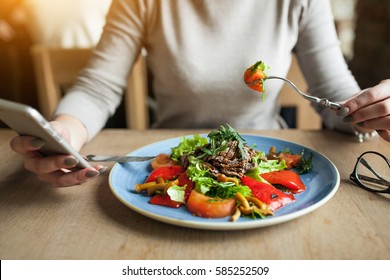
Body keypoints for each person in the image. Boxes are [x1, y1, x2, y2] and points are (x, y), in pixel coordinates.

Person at [8, 0, 390, 187]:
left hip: (263, 167)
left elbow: (332, 93)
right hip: (169, 167)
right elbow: (97, 87)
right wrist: (65, 134)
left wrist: (369, 111)